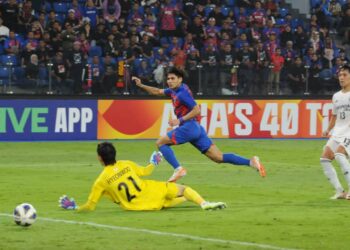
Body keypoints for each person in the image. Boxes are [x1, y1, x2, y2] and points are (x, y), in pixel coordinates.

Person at [132, 67, 266, 182]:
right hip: (196, 129)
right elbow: (157, 91)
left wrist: (180, 121)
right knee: (218, 157)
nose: (169, 81)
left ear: (180, 79)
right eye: (168, 79)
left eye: (173, 78)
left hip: (189, 126)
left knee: (161, 143)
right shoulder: (175, 90)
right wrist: (141, 85)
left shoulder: (182, 94)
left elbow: (197, 110)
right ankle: (251, 162)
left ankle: (178, 169)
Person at [59, 142, 226, 211]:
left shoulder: (101, 181)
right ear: (114, 154)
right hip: (152, 191)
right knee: (184, 189)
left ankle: (191, 199)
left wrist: (74, 207)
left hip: (137, 206)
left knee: (172, 201)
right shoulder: (126, 164)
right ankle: (203, 203)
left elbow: (90, 205)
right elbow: (146, 172)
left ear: (100, 158)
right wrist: (153, 162)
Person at [321, 64, 350, 199]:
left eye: (345, 75)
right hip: (338, 132)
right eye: (340, 75)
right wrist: (328, 129)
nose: (341, 78)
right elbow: (335, 115)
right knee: (324, 159)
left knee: (339, 154)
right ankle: (340, 191)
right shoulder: (336, 96)